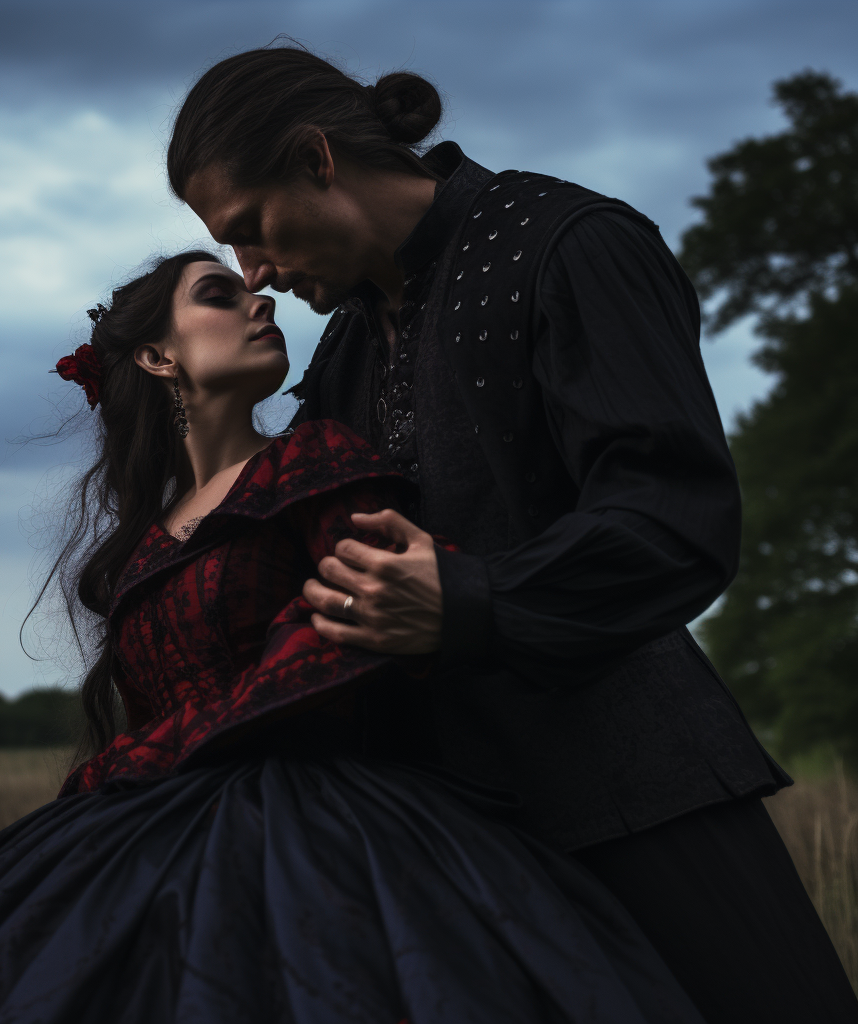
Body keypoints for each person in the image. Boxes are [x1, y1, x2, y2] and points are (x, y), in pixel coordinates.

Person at [0, 251, 711, 1022]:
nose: (262, 302)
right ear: (156, 355)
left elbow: (355, 619)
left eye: (253, 292)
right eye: (219, 294)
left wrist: (154, 757)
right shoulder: (143, 542)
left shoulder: (316, 458)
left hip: (334, 831)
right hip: (150, 838)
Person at [166, 47, 858, 1022]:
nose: (256, 272)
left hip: (636, 798)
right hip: (452, 847)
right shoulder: (350, 346)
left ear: (316, 158)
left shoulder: (568, 243)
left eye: (250, 232)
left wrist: (472, 599)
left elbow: (676, 516)